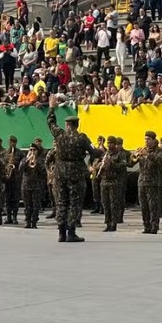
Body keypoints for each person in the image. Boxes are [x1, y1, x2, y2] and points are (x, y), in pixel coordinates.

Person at [47, 97, 99, 242]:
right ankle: (71, 232)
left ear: (67, 125)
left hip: (60, 171)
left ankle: (61, 232)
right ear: (77, 125)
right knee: (74, 201)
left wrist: (52, 108)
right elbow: (94, 152)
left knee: (61, 201)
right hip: (76, 171)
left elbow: (50, 123)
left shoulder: (60, 135)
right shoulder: (82, 138)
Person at [130, 130, 162, 235]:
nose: (146, 141)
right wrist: (134, 156)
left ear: (154, 140)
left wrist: (148, 155)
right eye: (145, 139)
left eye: (149, 139)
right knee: (143, 206)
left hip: (154, 183)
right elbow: (131, 164)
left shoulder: (159, 151)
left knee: (153, 206)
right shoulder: (143, 150)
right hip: (142, 182)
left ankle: (154, 227)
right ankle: (146, 226)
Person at [98, 136, 126, 232]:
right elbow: (98, 164)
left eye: (111, 143)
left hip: (114, 182)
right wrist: (100, 166)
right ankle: (107, 223)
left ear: (115, 144)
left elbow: (122, 165)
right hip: (104, 181)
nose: (109, 145)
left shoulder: (120, 154)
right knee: (105, 203)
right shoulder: (105, 154)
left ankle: (114, 224)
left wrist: (111, 164)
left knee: (113, 204)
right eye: (108, 143)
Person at [20, 141, 46, 229]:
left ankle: (34, 222)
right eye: (30, 150)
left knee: (36, 205)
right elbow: (20, 169)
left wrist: (36, 163)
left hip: (36, 186)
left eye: (34, 150)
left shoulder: (41, 161)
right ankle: (28, 222)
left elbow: (43, 172)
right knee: (27, 205)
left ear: (37, 151)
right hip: (26, 186)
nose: (32, 151)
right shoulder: (24, 159)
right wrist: (27, 160)